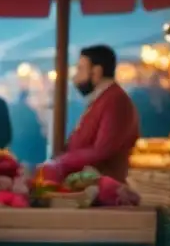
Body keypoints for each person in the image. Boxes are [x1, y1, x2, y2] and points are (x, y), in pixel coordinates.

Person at [45, 45, 140, 182]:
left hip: (102, 188)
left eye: (80, 69)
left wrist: (62, 161)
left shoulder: (115, 100)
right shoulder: (104, 98)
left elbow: (102, 150)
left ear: (96, 71)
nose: (75, 77)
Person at [9, 89, 48, 169]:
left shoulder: (14, 109)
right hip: (27, 144)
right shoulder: (29, 110)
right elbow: (36, 126)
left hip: (17, 145)